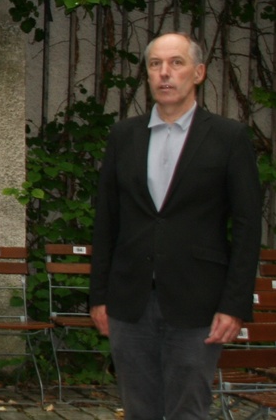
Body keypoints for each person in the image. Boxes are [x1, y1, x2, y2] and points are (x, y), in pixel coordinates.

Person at [90, 32, 262, 419]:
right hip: (130, 302)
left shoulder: (228, 138)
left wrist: (234, 305)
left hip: (198, 302)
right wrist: (99, 296)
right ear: (147, 75)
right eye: (155, 65)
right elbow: (106, 221)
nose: (165, 74)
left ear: (198, 72)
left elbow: (249, 227)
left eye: (176, 63)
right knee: (139, 409)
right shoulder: (123, 136)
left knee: (189, 409)